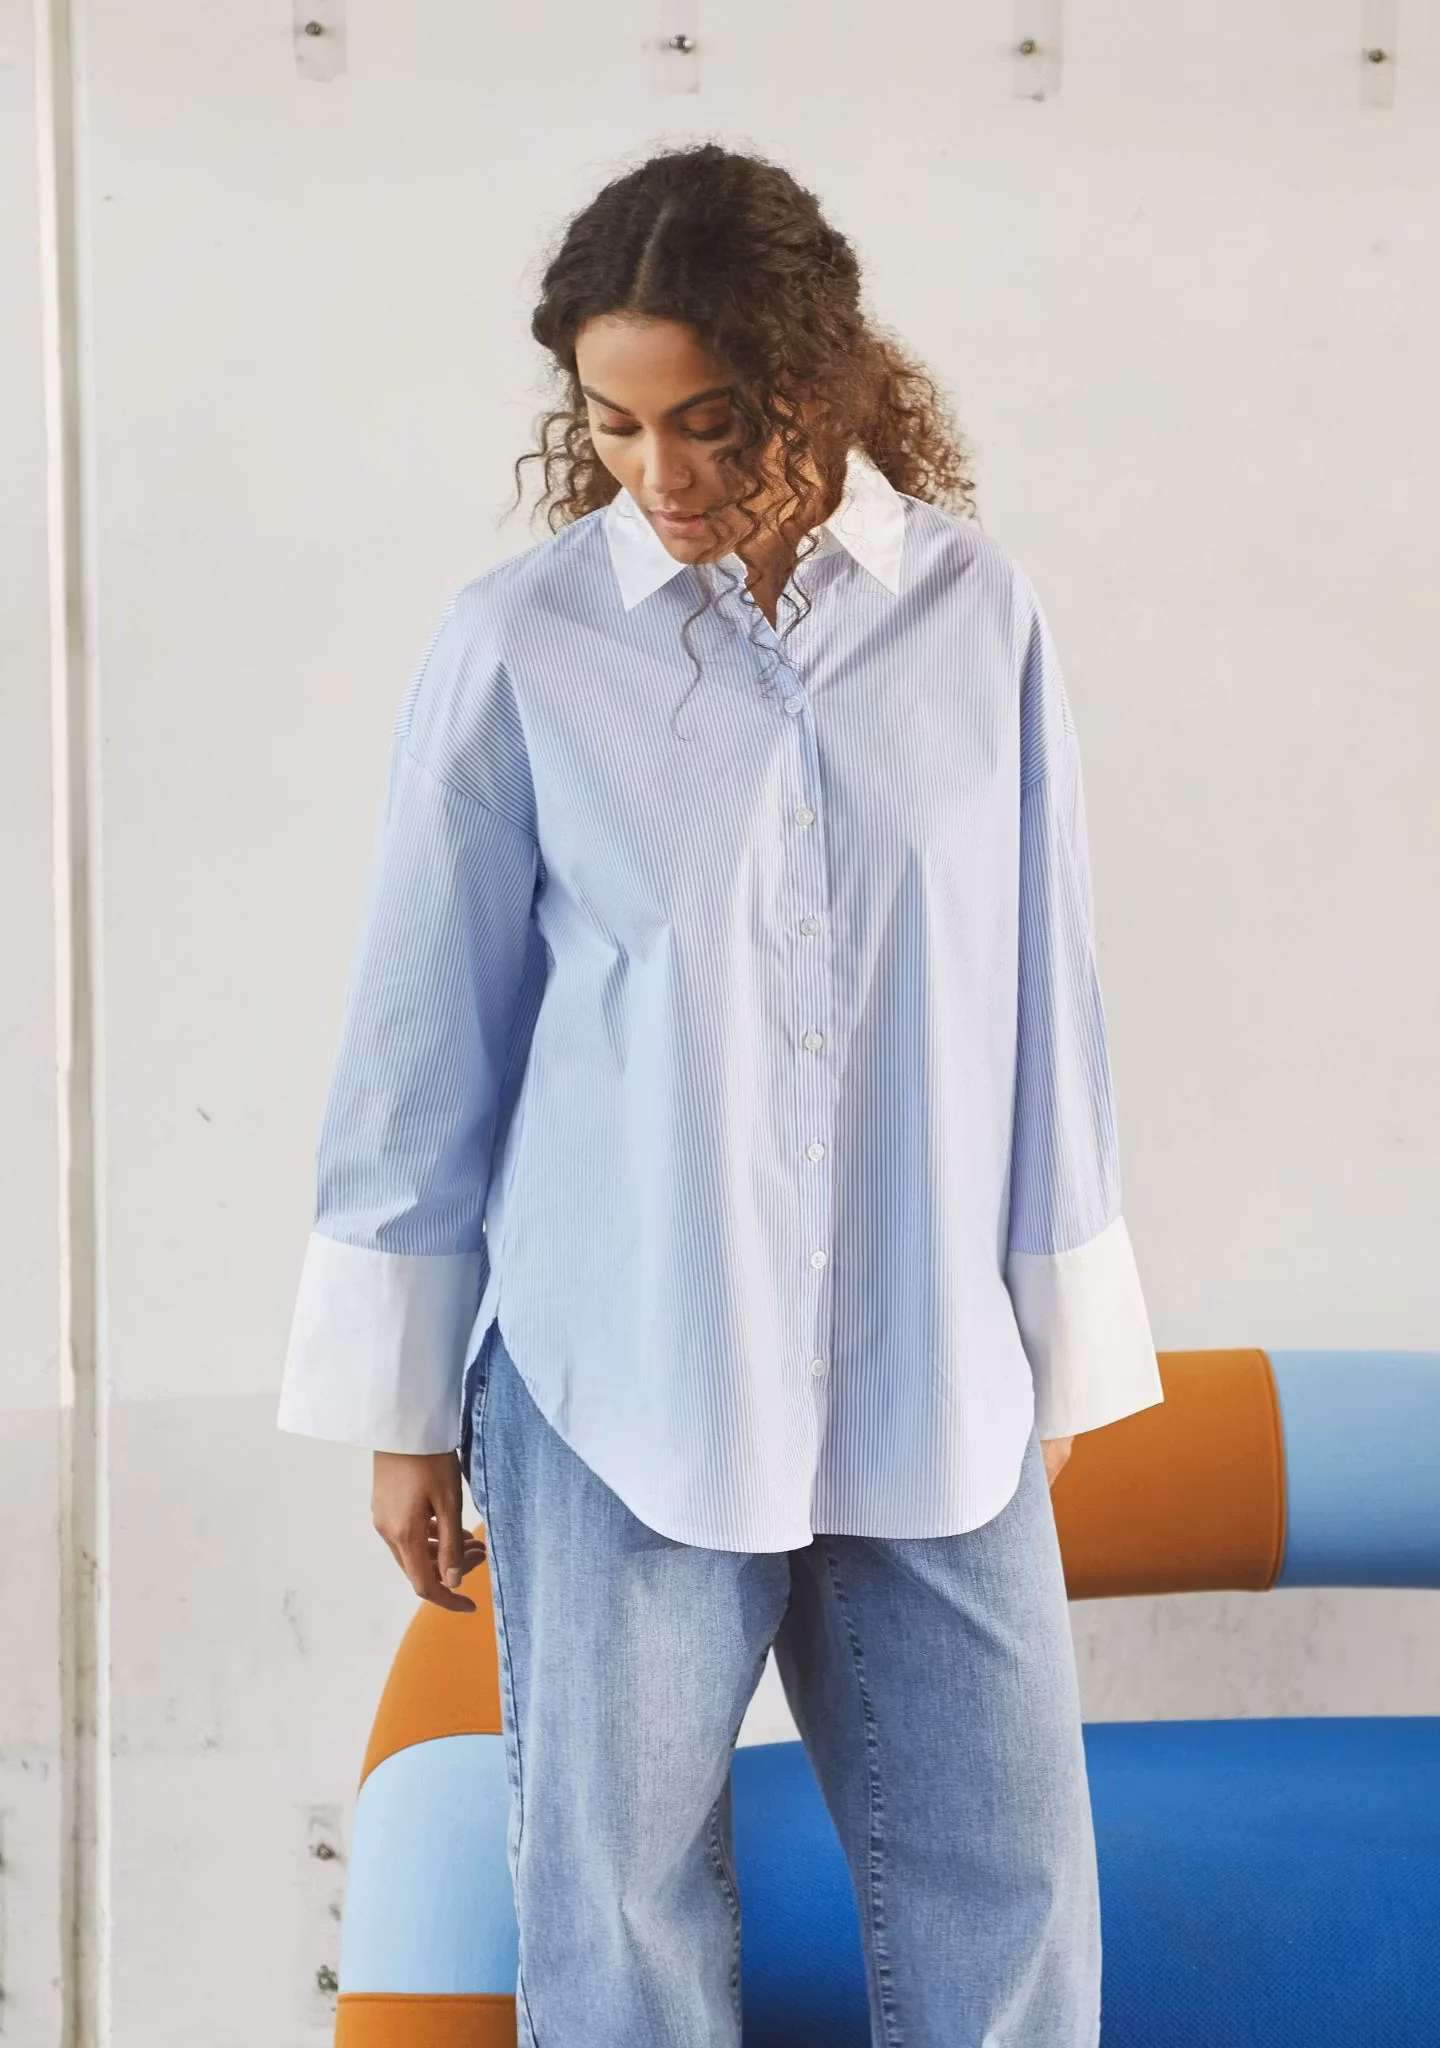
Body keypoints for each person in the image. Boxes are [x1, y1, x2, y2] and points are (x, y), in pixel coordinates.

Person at [278, 142, 1163, 2047]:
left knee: (1014, 1899)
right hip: (623, 1376)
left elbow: (1046, 995)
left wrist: (1060, 1341)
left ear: (813, 383)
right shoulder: (519, 645)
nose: (660, 476)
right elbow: (426, 1038)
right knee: (617, 1920)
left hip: (933, 1363)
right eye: (613, 425)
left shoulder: (976, 617)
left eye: (709, 421)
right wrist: (403, 1409)